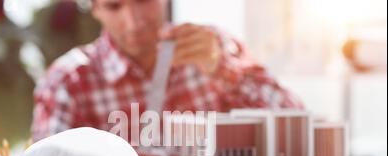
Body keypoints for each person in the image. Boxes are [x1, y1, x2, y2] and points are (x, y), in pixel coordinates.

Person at [31, 0, 303, 142]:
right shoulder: (69, 82)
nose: (134, 20)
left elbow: (296, 123)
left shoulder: (213, 47)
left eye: (143, 0)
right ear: (95, 9)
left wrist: (222, 68)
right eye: (114, 5)